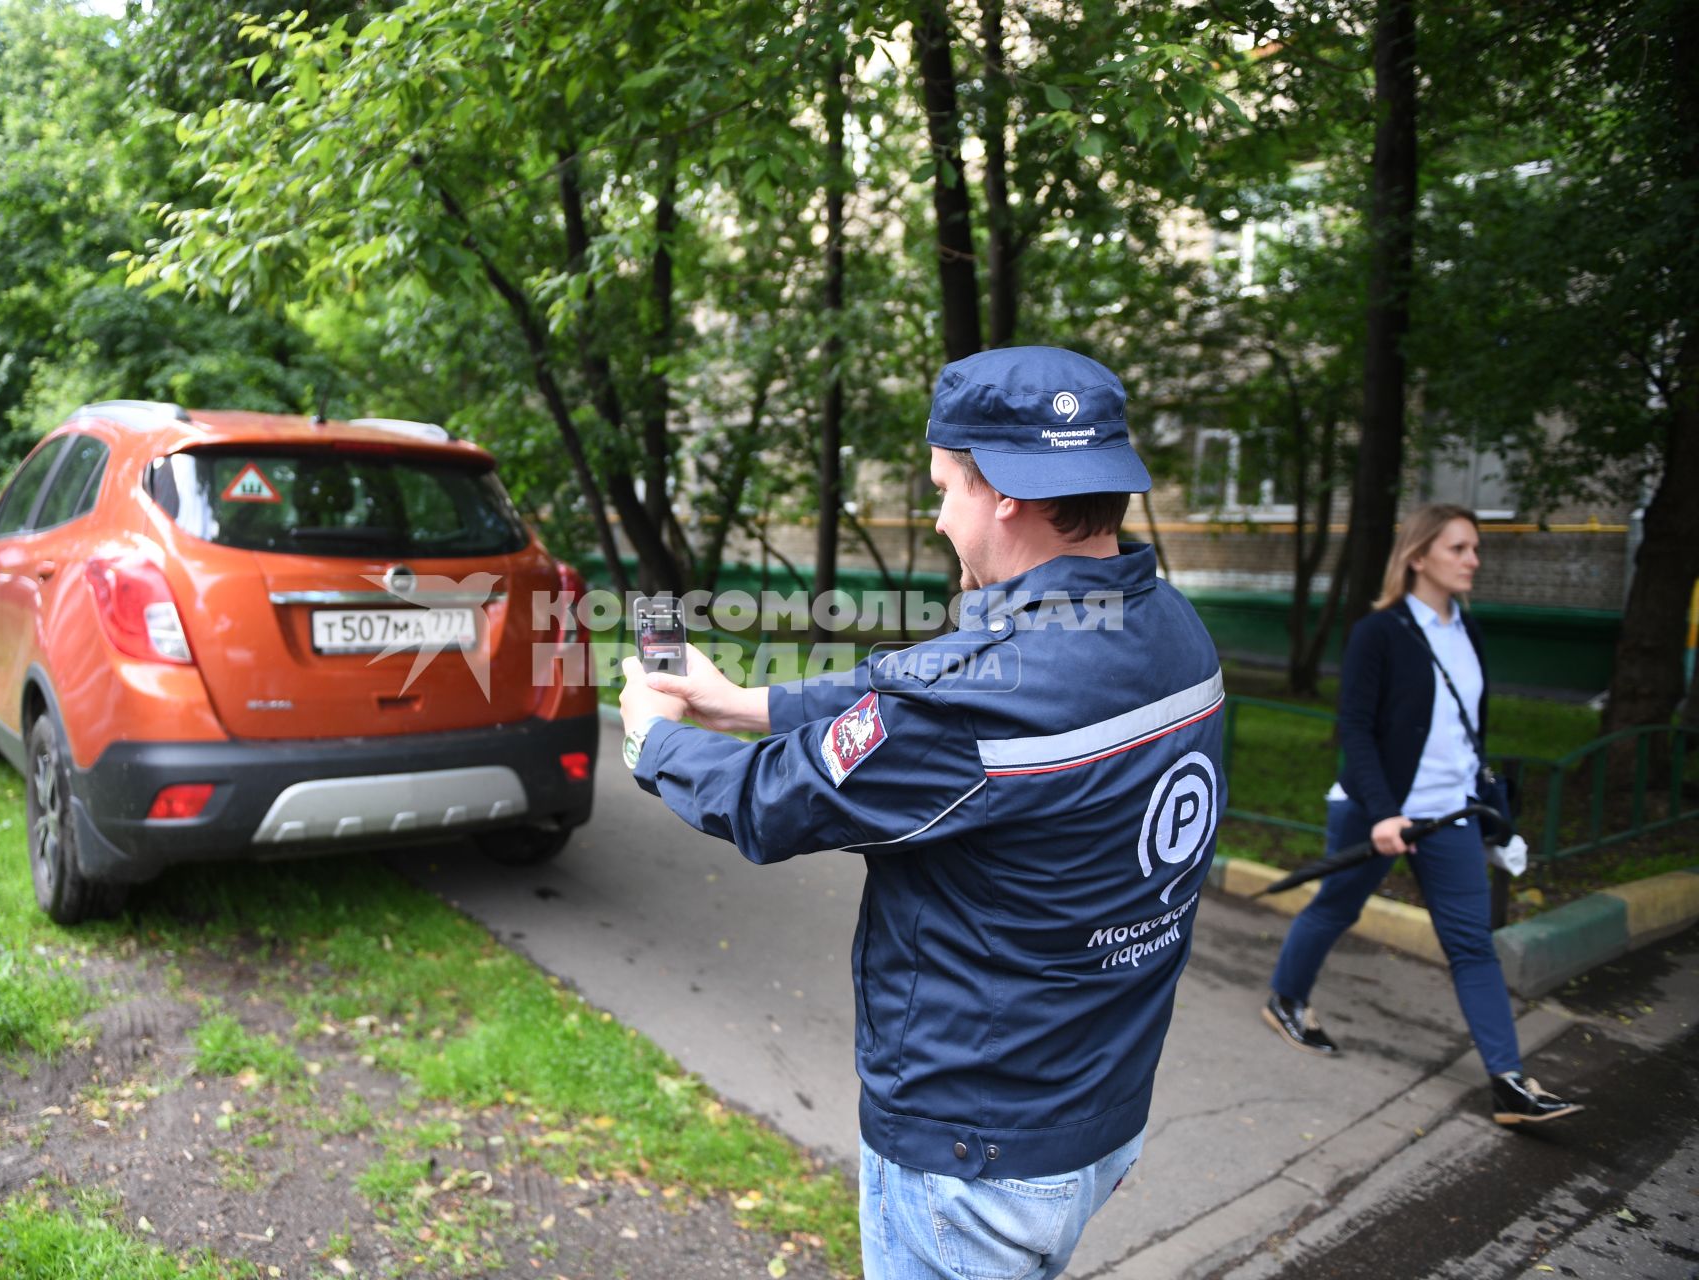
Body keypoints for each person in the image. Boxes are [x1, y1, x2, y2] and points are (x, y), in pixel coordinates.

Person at [618, 347, 1228, 1279]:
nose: (939, 515)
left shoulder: (980, 698)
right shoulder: (1165, 628)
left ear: (1007, 496)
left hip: (973, 1157)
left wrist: (651, 740)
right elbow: (908, 691)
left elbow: (769, 801)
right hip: (1095, 1112)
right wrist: (747, 704)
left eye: (945, 487)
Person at [1261, 503, 1584, 1126]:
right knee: (1336, 906)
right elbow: (1353, 728)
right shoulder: (1378, 632)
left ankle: (1510, 1083)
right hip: (1376, 809)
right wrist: (1384, 813)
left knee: (1471, 946)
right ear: (1418, 557)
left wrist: (1484, 812)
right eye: (1459, 549)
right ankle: (1287, 1000)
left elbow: (1469, 734)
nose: (1473, 561)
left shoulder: (1470, 631)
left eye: (1474, 549)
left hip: (1451, 815)